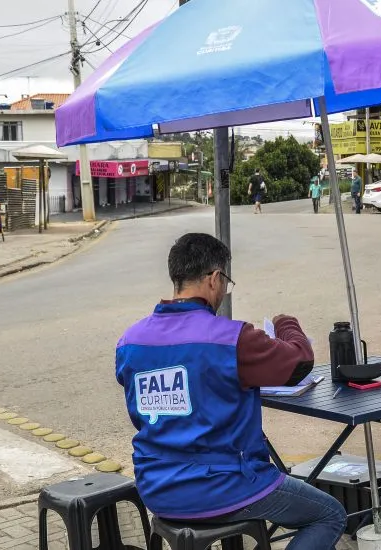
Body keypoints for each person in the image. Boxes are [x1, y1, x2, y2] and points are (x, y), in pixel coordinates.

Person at [115, 233, 346, 549]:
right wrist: (286, 323)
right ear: (214, 278)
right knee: (329, 515)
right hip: (225, 486)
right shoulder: (232, 339)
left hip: (155, 488)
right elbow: (300, 361)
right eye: (225, 282)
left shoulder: (130, 341)